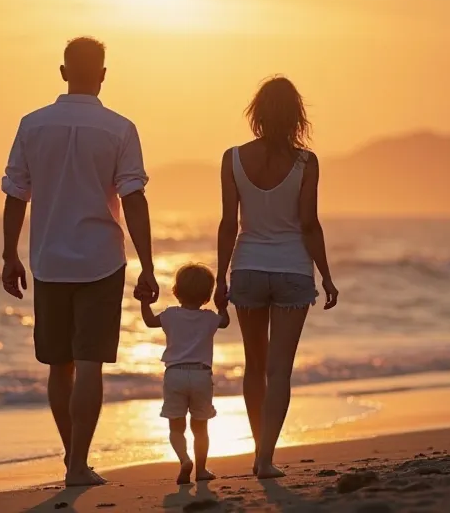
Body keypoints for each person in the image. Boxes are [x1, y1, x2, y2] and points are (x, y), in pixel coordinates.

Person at [1, 37, 159, 487]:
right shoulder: (119, 128)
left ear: (63, 71)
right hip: (101, 261)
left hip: (48, 259)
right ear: (103, 75)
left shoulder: (32, 125)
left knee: (59, 365)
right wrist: (147, 264)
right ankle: (76, 465)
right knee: (89, 363)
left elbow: (16, 194)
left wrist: (9, 254)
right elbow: (133, 197)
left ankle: (73, 458)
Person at [214, 76, 339, 479]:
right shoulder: (306, 162)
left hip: (247, 268)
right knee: (279, 370)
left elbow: (227, 225)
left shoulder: (232, 158)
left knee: (255, 367)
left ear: (258, 113)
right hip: (291, 271)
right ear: (296, 116)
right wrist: (327, 276)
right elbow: (308, 224)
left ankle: (258, 447)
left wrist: (219, 278)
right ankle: (265, 458)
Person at [140, 263, 230, 485]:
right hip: (201, 375)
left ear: (176, 291)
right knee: (200, 427)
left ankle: (184, 460)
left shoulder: (170, 315)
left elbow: (150, 321)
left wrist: (144, 302)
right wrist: (222, 306)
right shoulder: (210, 318)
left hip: (175, 374)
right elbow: (225, 322)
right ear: (207, 295)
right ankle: (201, 470)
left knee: (176, 427)